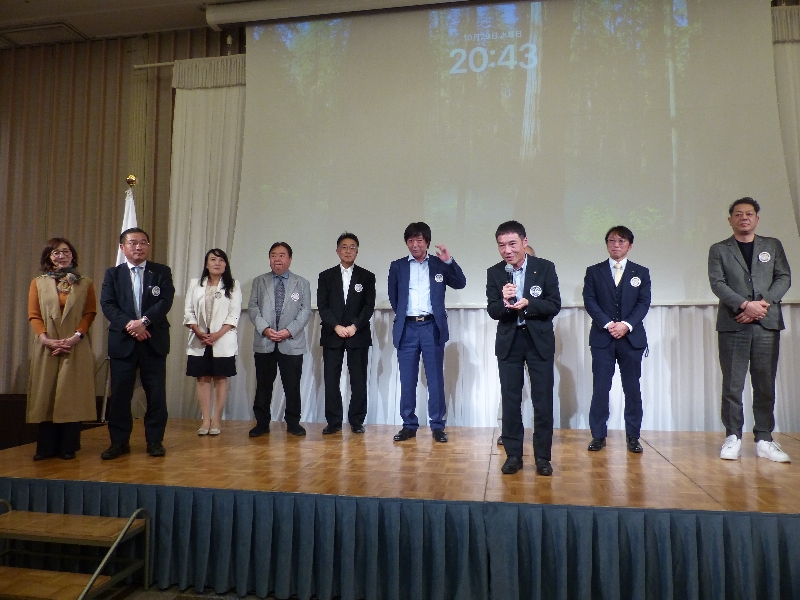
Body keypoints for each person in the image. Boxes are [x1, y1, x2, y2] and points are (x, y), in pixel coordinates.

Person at [708, 198, 792, 462]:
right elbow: (718, 283)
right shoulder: (719, 249)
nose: (744, 218)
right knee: (732, 384)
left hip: (766, 323)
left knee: (764, 383)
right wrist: (745, 305)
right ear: (730, 219)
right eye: (738, 214)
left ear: (757, 218)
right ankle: (732, 436)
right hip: (733, 323)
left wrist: (762, 304)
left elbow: (784, 277)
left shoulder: (772, 245)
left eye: (749, 214)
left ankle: (764, 438)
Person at [487, 220, 560, 475]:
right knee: (510, 401)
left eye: (512, 244)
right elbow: (493, 310)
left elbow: (553, 305)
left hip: (538, 342)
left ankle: (542, 458)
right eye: (502, 245)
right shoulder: (495, 272)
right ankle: (513, 456)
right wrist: (504, 302)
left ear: (524, 242)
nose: (507, 250)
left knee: (542, 401)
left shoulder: (545, 267)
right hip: (510, 342)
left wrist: (529, 304)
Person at [388, 222, 466, 443]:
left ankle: (437, 425)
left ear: (427, 242)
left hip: (432, 327)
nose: (415, 245)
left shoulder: (438, 264)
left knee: (435, 378)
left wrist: (449, 261)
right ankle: (408, 424)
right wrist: (406, 317)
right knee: (407, 379)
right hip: (407, 328)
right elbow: (394, 297)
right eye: (410, 240)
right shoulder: (397, 266)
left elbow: (460, 283)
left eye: (419, 240)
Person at [100, 227, 174, 459]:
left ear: (148, 246)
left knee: (156, 395)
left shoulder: (161, 271)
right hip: (123, 341)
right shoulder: (113, 274)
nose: (139, 247)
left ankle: (155, 441)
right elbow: (108, 304)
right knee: (120, 396)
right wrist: (131, 326)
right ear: (122, 248)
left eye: (143, 242)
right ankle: (119, 442)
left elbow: (165, 301)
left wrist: (144, 322)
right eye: (133, 243)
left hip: (153, 340)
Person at [27, 238, 98, 461]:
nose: (62, 256)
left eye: (66, 251)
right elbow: (34, 315)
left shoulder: (84, 283)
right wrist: (45, 339)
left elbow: (90, 313)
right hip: (47, 345)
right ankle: (46, 447)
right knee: (46, 394)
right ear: (49, 257)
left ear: (72, 255)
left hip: (75, 345)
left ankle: (69, 446)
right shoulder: (38, 283)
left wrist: (75, 337)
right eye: (56, 252)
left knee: (71, 395)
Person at [582, 226, 651, 453]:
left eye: (621, 241)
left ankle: (633, 436)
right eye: (612, 241)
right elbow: (590, 300)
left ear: (630, 245)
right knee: (601, 388)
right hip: (603, 338)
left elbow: (643, 303)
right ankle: (598, 435)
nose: (616, 245)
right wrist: (608, 324)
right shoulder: (594, 271)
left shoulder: (641, 272)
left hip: (631, 339)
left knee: (632, 389)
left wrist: (626, 325)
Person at [247, 242, 311, 437]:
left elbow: (305, 311)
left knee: (292, 386)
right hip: (265, 341)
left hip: (291, 342)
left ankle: (293, 423)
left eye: (282, 255)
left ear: (290, 259)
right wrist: (266, 329)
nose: (277, 259)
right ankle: (262, 423)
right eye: (273, 255)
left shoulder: (302, 283)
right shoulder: (259, 281)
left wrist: (288, 331)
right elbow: (253, 308)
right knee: (263, 386)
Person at [317, 233, 376, 434]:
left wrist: (354, 327)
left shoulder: (367, 277)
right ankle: (333, 421)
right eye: (344, 247)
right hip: (332, 334)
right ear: (337, 251)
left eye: (352, 247)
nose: (348, 251)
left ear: (357, 251)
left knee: (358, 380)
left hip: (357, 335)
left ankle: (357, 421)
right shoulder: (326, 276)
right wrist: (336, 326)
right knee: (331, 380)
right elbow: (323, 306)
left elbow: (368, 307)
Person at [183, 248, 242, 436]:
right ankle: (205, 420)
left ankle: (216, 419)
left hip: (222, 339)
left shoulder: (233, 285)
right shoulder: (195, 284)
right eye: (213, 259)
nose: (217, 263)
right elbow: (188, 312)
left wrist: (217, 335)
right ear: (206, 264)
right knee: (202, 378)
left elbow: (234, 315)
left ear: (226, 264)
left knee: (220, 378)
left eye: (221, 260)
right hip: (199, 339)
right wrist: (198, 332)